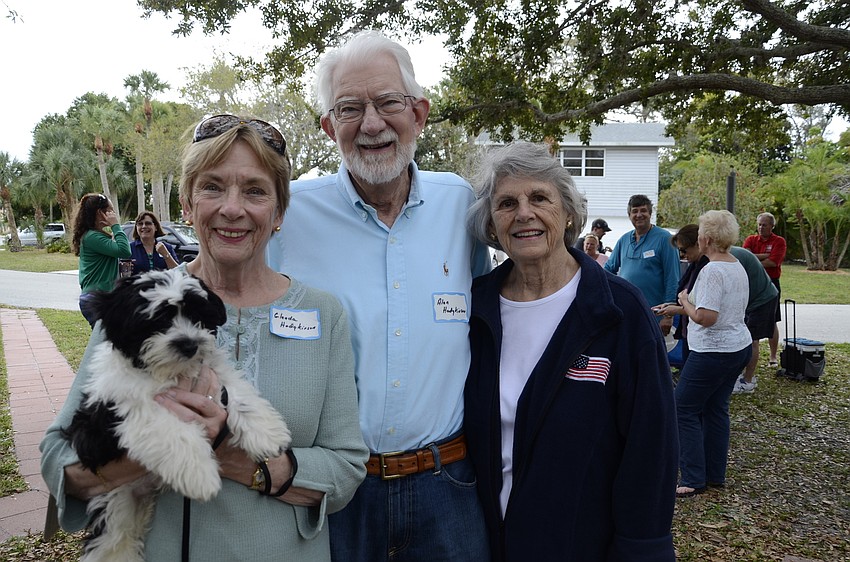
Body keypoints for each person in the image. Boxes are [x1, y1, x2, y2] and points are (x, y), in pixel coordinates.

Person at [40, 115, 369, 560]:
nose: (232, 208)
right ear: (188, 204)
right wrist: (147, 449)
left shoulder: (324, 314)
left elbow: (345, 468)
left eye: (255, 191)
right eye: (212, 187)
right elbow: (58, 458)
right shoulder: (138, 304)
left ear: (279, 212)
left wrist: (239, 460)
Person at [265, 31, 492, 561]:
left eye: (388, 102)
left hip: (447, 485)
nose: (371, 124)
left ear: (419, 113)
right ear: (329, 126)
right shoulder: (288, 215)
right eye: (350, 108)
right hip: (336, 491)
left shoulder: (459, 205)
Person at [464, 142, 678, 560]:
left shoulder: (619, 312)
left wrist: (642, 549)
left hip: (581, 545)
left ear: (567, 213)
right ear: (491, 224)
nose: (524, 213)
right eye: (506, 203)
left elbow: (651, 448)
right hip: (483, 542)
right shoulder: (473, 309)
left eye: (539, 198)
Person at [674, 210, 752, 498]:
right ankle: (714, 474)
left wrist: (684, 301)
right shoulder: (736, 264)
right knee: (716, 408)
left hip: (713, 351)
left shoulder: (711, 271)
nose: (697, 239)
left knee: (682, 408)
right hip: (737, 347)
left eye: (699, 234)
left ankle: (694, 477)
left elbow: (706, 317)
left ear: (706, 239)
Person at [604, 194, 680, 334]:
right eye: (635, 211)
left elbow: (672, 277)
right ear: (629, 215)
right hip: (626, 313)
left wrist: (668, 315)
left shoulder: (665, 239)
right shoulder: (624, 240)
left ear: (650, 213)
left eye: (643, 210)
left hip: (654, 315)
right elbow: (608, 270)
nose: (639, 215)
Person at [72, 193, 131, 327]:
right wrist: (116, 225)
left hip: (100, 296)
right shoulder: (92, 237)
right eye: (110, 210)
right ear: (100, 213)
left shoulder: (95, 236)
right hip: (95, 298)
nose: (113, 214)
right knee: (106, 338)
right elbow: (124, 251)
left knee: (109, 338)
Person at [655, 224, 709, 365]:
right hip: (689, 334)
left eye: (684, 250)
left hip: (703, 341)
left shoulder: (707, 270)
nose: (682, 255)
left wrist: (676, 310)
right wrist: (670, 306)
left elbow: (705, 312)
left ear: (697, 244)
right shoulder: (694, 266)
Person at [730, 245, 779, 393]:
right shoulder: (728, 253)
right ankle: (739, 375)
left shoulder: (732, 257)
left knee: (752, 340)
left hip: (762, 299)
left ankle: (748, 381)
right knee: (743, 338)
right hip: (751, 299)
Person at [743, 212, 786, 367]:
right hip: (752, 284)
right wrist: (764, 255)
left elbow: (773, 262)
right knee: (748, 319)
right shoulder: (751, 239)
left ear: (772, 226)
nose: (761, 228)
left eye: (765, 225)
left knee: (772, 320)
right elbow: (745, 257)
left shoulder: (779, 241)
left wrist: (754, 259)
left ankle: (773, 357)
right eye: (759, 224)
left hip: (771, 284)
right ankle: (749, 355)